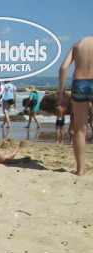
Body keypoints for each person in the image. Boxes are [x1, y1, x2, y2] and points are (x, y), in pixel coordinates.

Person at [59, 35, 93, 175]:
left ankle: (80, 169)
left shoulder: (78, 43)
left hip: (79, 83)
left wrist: (62, 93)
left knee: (80, 128)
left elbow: (63, 68)